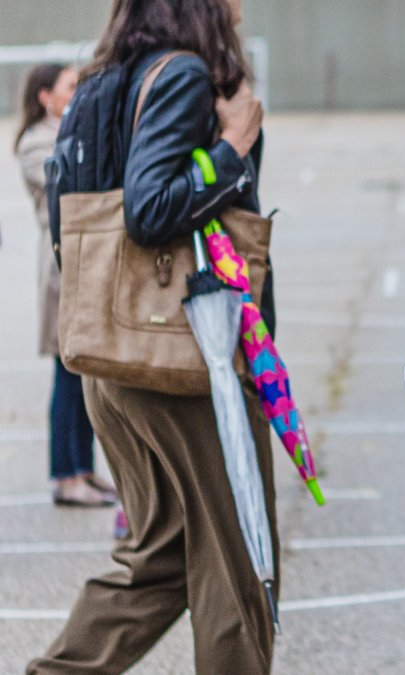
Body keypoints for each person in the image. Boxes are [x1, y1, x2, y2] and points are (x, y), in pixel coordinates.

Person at [27, 0, 278, 672]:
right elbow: (150, 208)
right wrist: (232, 148)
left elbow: (65, 220)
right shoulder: (182, 77)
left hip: (112, 361)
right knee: (238, 566)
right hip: (186, 362)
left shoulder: (103, 82)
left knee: (162, 558)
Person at [14, 64, 119, 508]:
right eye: (70, 87)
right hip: (60, 267)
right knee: (66, 374)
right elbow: (70, 180)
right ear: (44, 96)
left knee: (86, 376)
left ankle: (84, 469)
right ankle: (64, 475)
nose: (77, 95)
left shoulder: (65, 133)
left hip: (85, 261)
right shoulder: (35, 142)